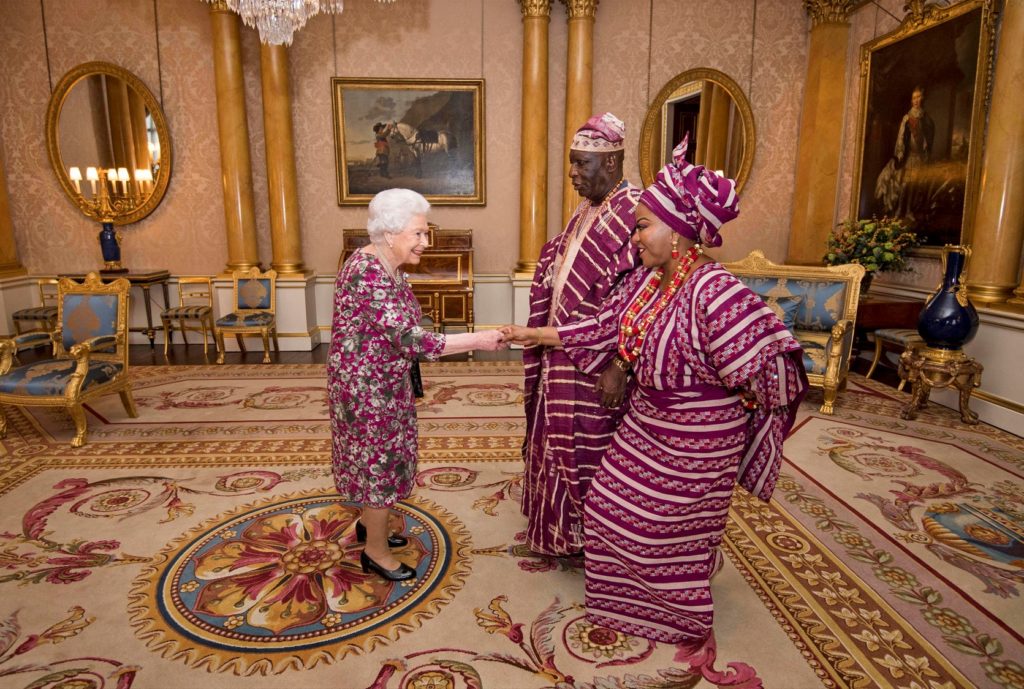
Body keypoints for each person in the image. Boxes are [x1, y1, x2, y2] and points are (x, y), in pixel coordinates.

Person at [502, 137, 807, 645]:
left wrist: (742, 418)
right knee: (604, 503)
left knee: (653, 524)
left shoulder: (714, 288)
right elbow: (606, 328)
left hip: (697, 435)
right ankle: (629, 605)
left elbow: (773, 361)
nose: (635, 237)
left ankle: (674, 616)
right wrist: (540, 336)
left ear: (679, 231)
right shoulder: (650, 281)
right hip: (646, 421)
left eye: (643, 226)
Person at [328, 188, 505, 581]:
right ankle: (374, 551)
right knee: (378, 464)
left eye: (427, 233)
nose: (426, 242)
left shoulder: (389, 266)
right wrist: (477, 339)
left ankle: (369, 525)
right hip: (366, 390)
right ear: (390, 233)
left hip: (386, 382)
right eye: (419, 233)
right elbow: (410, 339)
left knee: (388, 456)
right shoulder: (366, 272)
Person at [519, 112, 641, 557]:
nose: (571, 174)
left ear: (610, 164)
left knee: (586, 446)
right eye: (571, 164)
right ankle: (559, 535)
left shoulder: (635, 213)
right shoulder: (589, 207)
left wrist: (619, 364)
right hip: (563, 348)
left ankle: (595, 543)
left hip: (596, 358)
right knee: (553, 436)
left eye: (580, 165)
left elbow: (634, 301)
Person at [874, 85, 935, 224]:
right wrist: (900, 153)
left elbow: (928, 136)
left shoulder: (926, 119)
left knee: (914, 186)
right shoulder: (907, 118)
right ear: (911, 100)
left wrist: (925, 144)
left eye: (918, 97)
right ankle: (898, 211)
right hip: (908, 158)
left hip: (919, 158)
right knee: (905, 185)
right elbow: (901, 137)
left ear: (922, 99)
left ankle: (909, 211)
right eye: (914, 97)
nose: (916, 100)